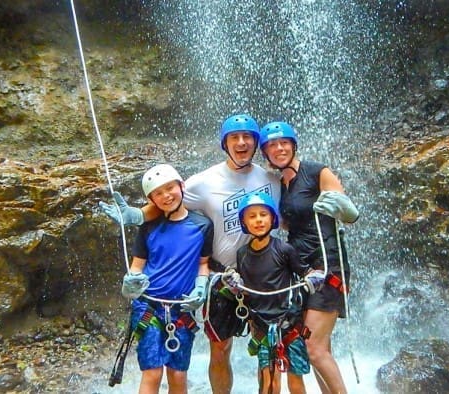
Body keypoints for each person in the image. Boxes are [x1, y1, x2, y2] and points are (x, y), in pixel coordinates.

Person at [100, 114, 281, 394]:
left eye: (248, 137)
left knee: (268, 345)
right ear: (225, 143)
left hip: (263, 271)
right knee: (220, 348)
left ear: (257, 143)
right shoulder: (203, 182)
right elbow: (168, 199)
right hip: (221, 277)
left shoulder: (272, 179)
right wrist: (136, 215)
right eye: (235, 137)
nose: (242, 143)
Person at [257, 121, 360, 394]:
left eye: (284, 143)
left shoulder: (317, 171)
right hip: (302, 270)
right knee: (318, 346)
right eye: (272, 146)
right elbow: (287, 227)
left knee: (314, 347)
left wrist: (345, 209)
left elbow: (347, 212)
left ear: (293, 145)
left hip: (327, 265)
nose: (279, 149)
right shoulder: (282, 184)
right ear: (265, 153)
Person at [119, 164, 213, 394]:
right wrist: (130, 283)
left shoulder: (202, 225)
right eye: (158, 193)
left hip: (182, 307)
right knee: (152, 371)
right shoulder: (149, 227)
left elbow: (203, 263)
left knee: (178, 374)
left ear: (181, 187)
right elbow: (137, 266)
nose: (166, 196)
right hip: (148, 306)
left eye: (170, 188)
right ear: (151, 200)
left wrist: (201, 288)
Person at [232, 191, 324, 394]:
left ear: (273, 218)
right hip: (263, 327)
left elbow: (304, 272)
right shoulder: (242, 255)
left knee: (295, 381)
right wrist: (234, 283)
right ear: (244, 223)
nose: (258, 220)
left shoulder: (284, 249)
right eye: (252, 216)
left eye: (263, 215)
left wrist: (314, 277)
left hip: (289, 324)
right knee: (269, 382)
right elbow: (244, 287)